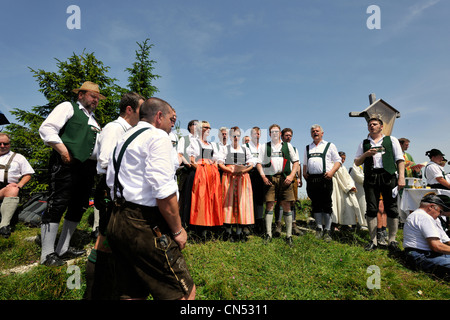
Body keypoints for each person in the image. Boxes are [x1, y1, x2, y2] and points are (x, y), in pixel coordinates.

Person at [106, 97, 195, 300]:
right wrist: (178, 230)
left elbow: (111, 180)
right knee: (184, 293)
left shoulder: (124, 138)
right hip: (144, 223)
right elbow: (164, 193)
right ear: (159, 116)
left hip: (117, 219)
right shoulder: (157, 137)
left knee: (131, 291)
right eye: (171, 118)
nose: (173, 123)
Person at [84, 92, 144, 300]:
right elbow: (104, 162)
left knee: (117, 243)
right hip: (111, 189)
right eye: (140, 109)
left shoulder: (129, 130)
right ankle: (93, 292)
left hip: (122, 190)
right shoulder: (114, 128)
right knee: (105, 241)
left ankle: (112, 287)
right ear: (129, 110)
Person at [39, 81, 103, 266]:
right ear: (80, 95)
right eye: (93, 96)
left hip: (87, 168)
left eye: (97, 98)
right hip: (67, 163)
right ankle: (46, 255)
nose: (95, 100)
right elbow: (47, 128)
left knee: (79, 206)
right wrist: (63, 151)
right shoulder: (68, 107)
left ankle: (63, 248)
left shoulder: (93, 120)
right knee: (57, 204)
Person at [354, 117, 405, 251]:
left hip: (388, 176)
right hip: (371, 177)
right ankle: (373, 241)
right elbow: (357, 162)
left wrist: (401, 178)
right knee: (371, 208)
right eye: (369, 124)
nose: (371, 126)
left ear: (381, 127)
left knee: (392, 208)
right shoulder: (364, 143)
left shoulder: (391, 140)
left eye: (374, 124)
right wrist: (366, 154)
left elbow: (400, 160)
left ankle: (392, 240)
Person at [256, 124, 299, 246]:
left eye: (277, 132)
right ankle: (268, 234)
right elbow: (258, 163)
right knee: (269, 204)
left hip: (285, 177)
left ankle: (289, 236)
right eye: (272, 132)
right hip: (270, 178)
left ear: (280, 133)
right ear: (270, 134)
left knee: (286, 205)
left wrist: (291, 176)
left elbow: (295, 162)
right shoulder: (265, 146)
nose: (275, 134)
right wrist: (263, 176)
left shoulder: (287, 146)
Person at [303, 125, 341, 242]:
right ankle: (319, 228)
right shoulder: (308, 147)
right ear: (311, 134)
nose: (315, 133)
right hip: (312, 179)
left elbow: (338, 161)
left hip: (325, 178)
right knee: (316, 204)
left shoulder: (330, 145)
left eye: (317, 131)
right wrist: (304, 173)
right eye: (313, 131)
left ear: (322, 133)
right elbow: (304, 163)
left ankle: (328, 230)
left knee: (326, 204)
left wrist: (331, 172)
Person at [187, 121, 224, 238]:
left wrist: (213, 170)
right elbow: (191, 160)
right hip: (200, 174)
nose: (208, 129)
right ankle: (199, 229)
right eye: (205, 127)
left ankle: (211, 227)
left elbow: (217, 160)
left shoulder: (212, 145)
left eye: (209, 127)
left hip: (212, 174)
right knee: (200, 200)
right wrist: (201, 170)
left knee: (212, 199)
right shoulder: (194, 142)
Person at [218, 126, 255, 242]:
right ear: (230, 136)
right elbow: (220, 163)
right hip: (229, 177)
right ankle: (228, 232)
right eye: (233, 135)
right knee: (228, 203)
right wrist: (229, 170)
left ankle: (239, 232)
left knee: (241, 203)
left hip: (242, 177)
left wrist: (243, 170)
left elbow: (251, 163)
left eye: (238, 135)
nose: (235, 137)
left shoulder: (245, 149)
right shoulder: (225, 149)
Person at [403, 193, 450, 280]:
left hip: (425, 254)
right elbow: (436, 246)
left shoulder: (427, 217)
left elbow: (446, 240)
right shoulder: (423, 217)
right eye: (440, 211)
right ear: (431, 207)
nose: (440, 214)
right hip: (420, 255)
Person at [0, 133, 35, 238]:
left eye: (5, 143)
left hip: (5, 188)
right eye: (0, 143)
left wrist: (19, 185)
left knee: (13, 190)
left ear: (9, 144)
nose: (2, 146)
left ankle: (4, 225)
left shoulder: (18, 157)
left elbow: (28, 174)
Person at [278, 128, 303, 236]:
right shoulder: (277, 147)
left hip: (291, 177)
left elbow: (297, 164)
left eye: (290, 135)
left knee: (292, 201)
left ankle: (293, 225)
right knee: (279, 201)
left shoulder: (294, 148)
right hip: (280, 177)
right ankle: (278, 225)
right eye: (286, 135)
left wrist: (299, 178)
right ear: (281, 136)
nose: (288, 137)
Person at [331, 151, 366, 229]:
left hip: (346, 189)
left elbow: (348, 178)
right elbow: (341, 178)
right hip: (339, 189)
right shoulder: (335, 166)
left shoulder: (342, 167)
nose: (343, 160)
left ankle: (347, 224)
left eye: (344, 159)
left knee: (348, 207)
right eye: (341, 158)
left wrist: (351, 186)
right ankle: (336, 224)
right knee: (338, 207)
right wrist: (348, 187)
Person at [177, 120, 199, 228]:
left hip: (199, 172)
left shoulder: (201, 140)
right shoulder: (184, 139)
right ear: (190, 127)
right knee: (185, 198)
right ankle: (183, 224)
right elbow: (180, 153)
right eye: (195, 125)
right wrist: (188, 163)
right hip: (187, 171)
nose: (197, 127)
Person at [245, 127, 265, 235]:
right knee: (249, 198)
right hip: (249, 172)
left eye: (258, 134)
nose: (256, 135)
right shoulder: (245, 146)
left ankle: (259, 224)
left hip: (260, 173)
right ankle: (249, 224)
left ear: (260, 135)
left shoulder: (263, 147)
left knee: (259, 198)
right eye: (254, 133)